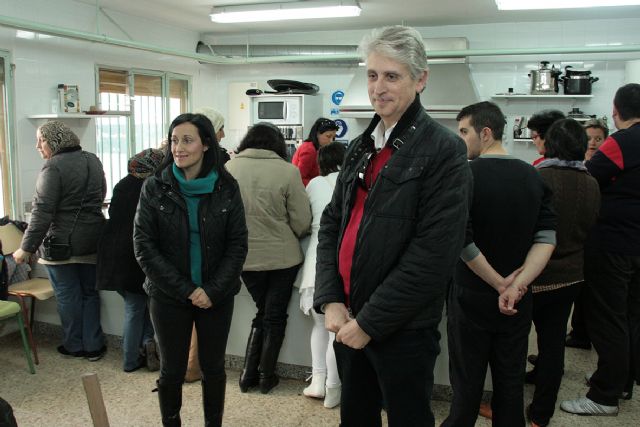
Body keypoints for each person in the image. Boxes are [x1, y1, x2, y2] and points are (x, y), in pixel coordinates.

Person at [313, 26, 472, 427]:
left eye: (392, 76)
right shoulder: (360, 146)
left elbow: (434, 253)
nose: (378, 87)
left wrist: (370, 323)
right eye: (372, 75)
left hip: (400, 329)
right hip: (348, 318)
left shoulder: (444, 150)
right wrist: (331, 297)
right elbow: (332, 223)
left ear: (420, 80)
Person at [443, 101, 556, 427]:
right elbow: (546, 238)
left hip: (471, 296)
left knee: (466, 385)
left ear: (486, 132)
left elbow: (461, 240)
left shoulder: (464, 175)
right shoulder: (533, 176)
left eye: (464, 132)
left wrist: (498, 284)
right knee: (510, 384)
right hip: (519, 301)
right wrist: (516, 286)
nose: (460, 139)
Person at [134, 113, 248, 426]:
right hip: (169, 295)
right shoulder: (155, 188)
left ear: (206, 144)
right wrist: (187, 289)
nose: (178, 148)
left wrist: (211, 290)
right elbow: (144, 247)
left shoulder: (227, 187)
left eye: (187, 140)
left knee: (213, 368)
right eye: (174, 140)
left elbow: (237, 245)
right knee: (172, 369)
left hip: (216, 295)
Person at [561, 83, 640, 416]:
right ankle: (623, 383)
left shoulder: (621, 142)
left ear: (616, 110)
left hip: (613, 243)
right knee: (632, 317)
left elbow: (589, 175)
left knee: (607, 318)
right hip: (637, 244)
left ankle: (603, 395)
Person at [524, 119, 600, 427]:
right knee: (553, 345)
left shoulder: (539, 177)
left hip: (534, 275)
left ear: (550, 144)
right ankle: (541, 414)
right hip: (571, 275)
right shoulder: (592, 182)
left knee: (514, 342)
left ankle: (506, 402)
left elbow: (526, 228)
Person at [226, 122, 311, 394]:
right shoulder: (288, 171)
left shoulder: (229, 169)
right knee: (273, 316)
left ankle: (247, 374)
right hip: (282, 257)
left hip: (245, 257)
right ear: (278, 144)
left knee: (264, 312)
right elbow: (301, 221)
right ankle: (264, 376)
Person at [13, 120, 107, 361]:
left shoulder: (53, 167)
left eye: (41, 140)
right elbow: (100, 195)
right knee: (89, 293)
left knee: (67, 295)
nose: (37, 146)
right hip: (94, 238)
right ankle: (94, 346)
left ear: (53, 141)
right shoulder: (93, 160)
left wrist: (26, 248)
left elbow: (42, 211)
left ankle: (74, 345)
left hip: (61, 244)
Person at [96, 148, 164, 372]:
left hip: (113, 256)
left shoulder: (123, 184)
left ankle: (145, 347)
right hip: (134, 257)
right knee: (137, 307)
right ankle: (130, 360)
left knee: (139, 306)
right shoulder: (153, 187)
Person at [297, 142, 346, 409]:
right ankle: (333, 389)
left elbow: (303, 221)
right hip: (344, 257)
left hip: (317, 258)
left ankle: (317, 383)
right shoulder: (355, 182)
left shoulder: (313, 184)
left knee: (319, 325)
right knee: (337, 329)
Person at [184, 107, 230, 383]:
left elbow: (238, 241)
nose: (224, 134)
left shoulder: (225, 180)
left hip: (203, 272)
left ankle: (190, 368)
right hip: (194, 270)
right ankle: (190, 368)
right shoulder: (219, 166)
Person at [565, 117, 610, 351]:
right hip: (579, 237)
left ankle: (586, 334)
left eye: (598, 139)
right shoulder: (577, 165)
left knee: (593, 291)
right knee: (580, 289)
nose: (592, 143)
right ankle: (579, 333)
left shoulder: (609, 169)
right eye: (589, 139)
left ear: (606, 141)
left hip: (600, 238)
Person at [292, 117, 339, 186]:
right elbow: (298, 178)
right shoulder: (309, 150)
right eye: (328, 136)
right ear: (317, 134)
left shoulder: (318, 148)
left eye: (334, 137)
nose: (331, 141)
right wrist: (319, 185)